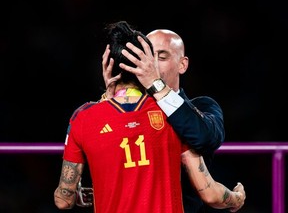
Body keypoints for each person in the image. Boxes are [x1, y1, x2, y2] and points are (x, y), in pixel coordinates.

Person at [54, 21, 245, 213]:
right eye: (146, 55)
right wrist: (109, 99)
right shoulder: (121, 113)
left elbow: (203, 136)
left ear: (182, 64)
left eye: (160, 57)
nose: (150, 63)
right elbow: (211, 192)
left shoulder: (194, 109)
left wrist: (155, 85)